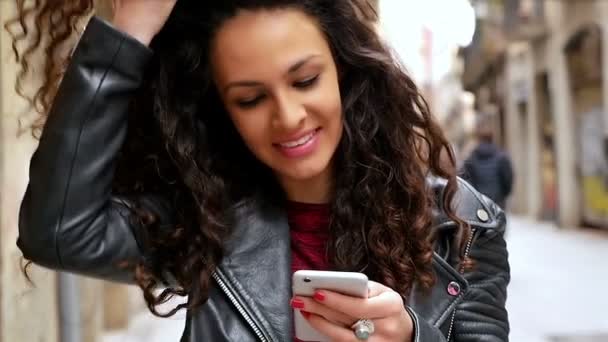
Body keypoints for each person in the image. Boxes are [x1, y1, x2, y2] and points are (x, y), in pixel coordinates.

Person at [11, 0, 509, 341]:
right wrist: (127, 33)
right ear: (221, 110)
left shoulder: (461, 224)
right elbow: (58, 232)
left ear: (345, 71)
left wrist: (410, 336)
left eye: (306, 79)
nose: (288, 116)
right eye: (250, 98)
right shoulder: (203, 219)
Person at [462, 119, 514, 209]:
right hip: (498, 201)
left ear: (479, 139)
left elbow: (466, 181)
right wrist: (503, 195)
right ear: (492, 138)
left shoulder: (471, 158)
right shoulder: (502, 157)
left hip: (479, 202)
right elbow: (508, 180)